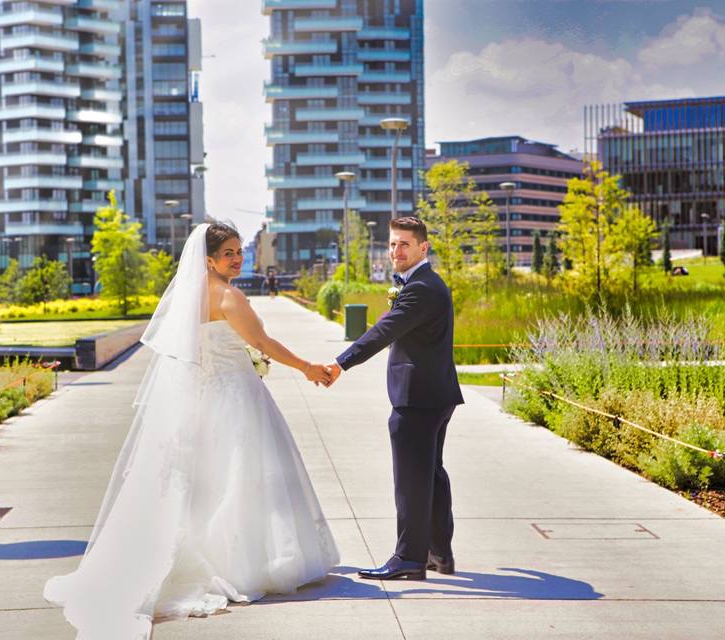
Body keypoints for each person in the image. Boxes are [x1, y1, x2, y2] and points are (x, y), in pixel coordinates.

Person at [45, 222, 339, 638]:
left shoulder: (187, 297)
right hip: (236, 398)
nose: (237, 259)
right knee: (245, 476)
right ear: (208, 259)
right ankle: (246, 561)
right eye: (229, 254)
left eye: (240, 251)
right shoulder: (229, 297)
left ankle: (211, 551)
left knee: (208, 482)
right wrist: (308, 368)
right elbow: (264, 342)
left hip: (203, 400)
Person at [326, 216, 463, 581]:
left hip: (417, 398)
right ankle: (439, 554)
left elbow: (386, 329)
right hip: (434, 394)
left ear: (423, 247)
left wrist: (341, 362)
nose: (395, 251)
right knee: (431, 476)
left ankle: (409, 559)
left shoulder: (421, 287)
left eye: (404, 244)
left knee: (411, 482)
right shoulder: (425, 283)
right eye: (391, 244)